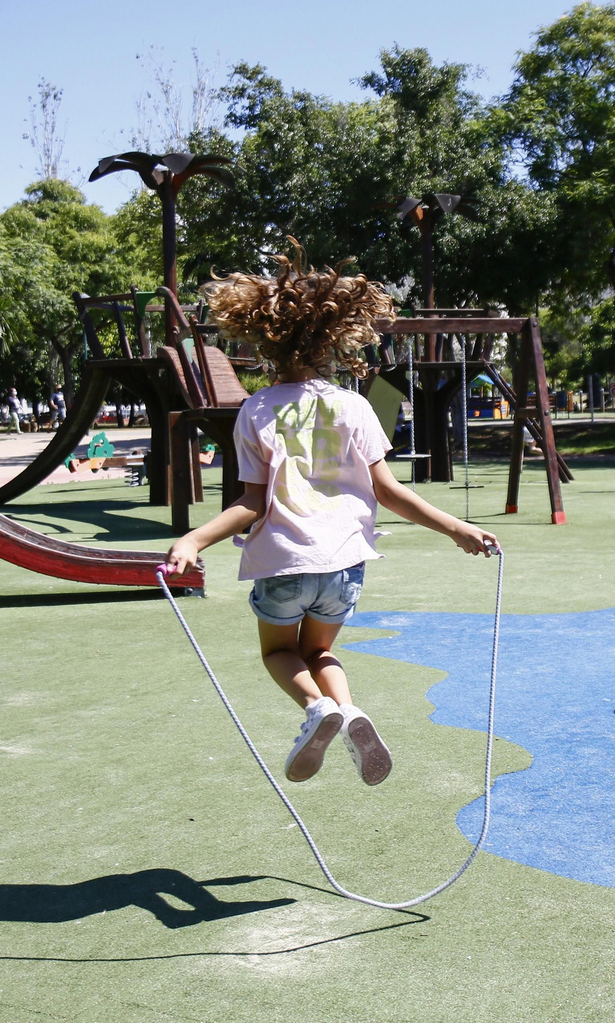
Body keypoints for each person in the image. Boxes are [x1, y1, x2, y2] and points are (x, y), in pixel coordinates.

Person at [163, 242, 497, 787]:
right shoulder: (355, 405)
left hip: (283, 560)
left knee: (279, 652)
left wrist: (193, 541)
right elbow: (388, 493)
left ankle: (319, 710)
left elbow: (252, 502)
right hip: (344, 565)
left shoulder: (257, 409)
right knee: (321, 650)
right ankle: (350, 711)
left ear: (265, 341)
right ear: (334, 342)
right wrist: (457, 528)